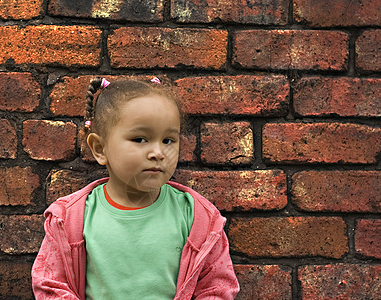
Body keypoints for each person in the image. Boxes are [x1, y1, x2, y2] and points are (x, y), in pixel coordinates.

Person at [32, 77, 240, 299]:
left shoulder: (198, 218)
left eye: (168, 140)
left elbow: (217, 287)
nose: (158, 152)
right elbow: (50, 285)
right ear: (100, 148)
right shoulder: (70, 219)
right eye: (140, 139)